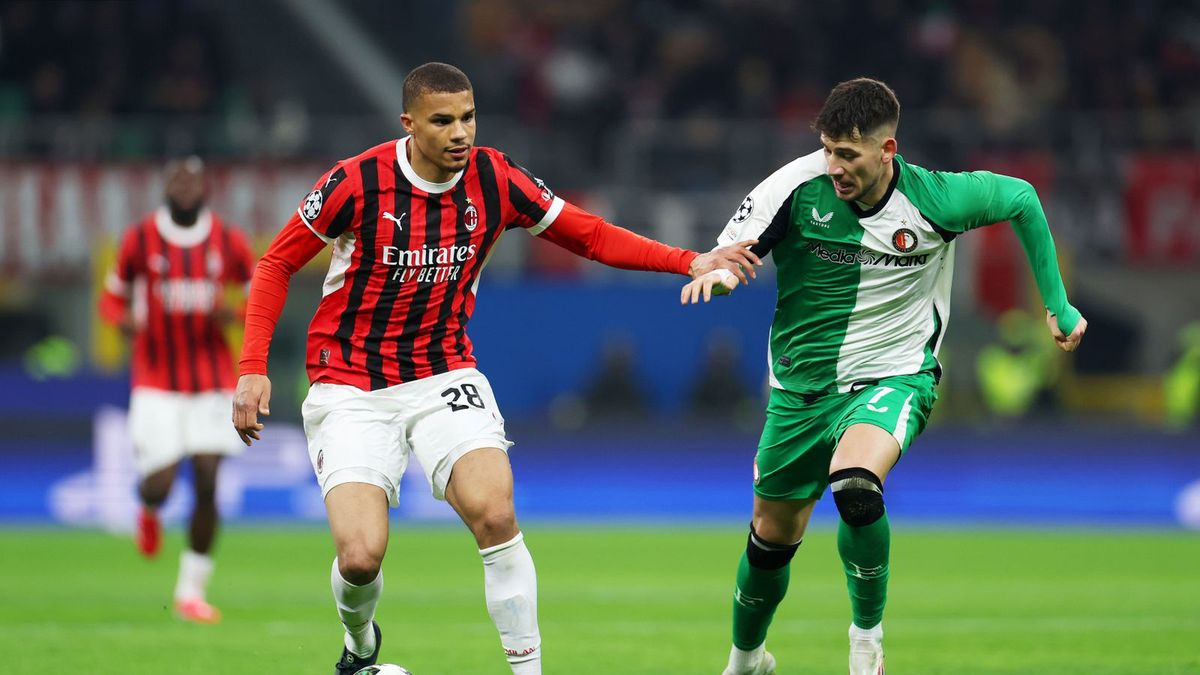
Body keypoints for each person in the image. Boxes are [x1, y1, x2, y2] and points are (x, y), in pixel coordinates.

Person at [231, 62, 760, 675]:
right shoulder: (357, 182)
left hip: (443, 373)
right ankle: (359, 647)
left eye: (468, 117)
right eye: (443, 121)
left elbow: (586, 235)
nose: (461, 132)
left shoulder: (495, 177)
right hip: (350, 383)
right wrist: (252, 367)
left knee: (496, 513)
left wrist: (688, 260)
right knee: (360, 558)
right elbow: (273, 264)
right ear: (408, 124)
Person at [681, 78, 1088, 675]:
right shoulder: (793, 189)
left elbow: (1022, 198)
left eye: (848, 154)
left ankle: (866, 642)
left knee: (854, 484)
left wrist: (1055, 303)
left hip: (894, 377)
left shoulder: (936, 200)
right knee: (770, 539)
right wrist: (718, 272)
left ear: (887, 150)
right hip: (799, 392)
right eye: (828, 151)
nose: (835, 166)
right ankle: (747, 660)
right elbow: (731, 251)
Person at [97, 156, 256, 624]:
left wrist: (236, 312)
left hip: (212, 380)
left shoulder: (228, 240)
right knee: (161, 483)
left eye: (193, 180)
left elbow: (259, 286)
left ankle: (191, 592)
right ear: (165, 187)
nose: (185, 188)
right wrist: (123, 320)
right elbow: (111, 296)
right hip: (157, 380)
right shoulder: (139, 239)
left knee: (208, 480)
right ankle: (147, 508)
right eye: (177, 180)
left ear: (205, 188)